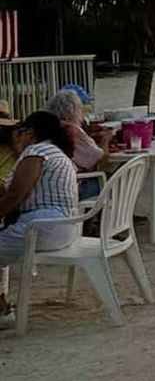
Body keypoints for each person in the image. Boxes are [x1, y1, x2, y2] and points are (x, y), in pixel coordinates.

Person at [0, 111, 80, 327]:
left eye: (19, 131)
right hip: (64, 228)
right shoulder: (55, 152)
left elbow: (17, 195)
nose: (15, 136)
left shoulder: (36, 152)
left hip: (42, 227)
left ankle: (2, 312)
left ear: (30, 133)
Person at [45, 89, 110, 171]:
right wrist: (106, 140)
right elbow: (99, 157)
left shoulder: (48, 128)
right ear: (75, 110)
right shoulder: (71, 129)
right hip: (79, 179)